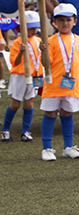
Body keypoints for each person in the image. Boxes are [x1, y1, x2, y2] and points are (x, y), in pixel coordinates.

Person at [40, 4, 79, 162]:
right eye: (61, 20)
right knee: (50, 114)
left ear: (75, 21)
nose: (65, 23)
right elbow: (46, 64)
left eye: (68, 20)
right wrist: (43, 51)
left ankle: (68, 147)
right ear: (54, 23)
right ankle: (47, 148)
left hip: (71, 86)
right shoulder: (50, 41)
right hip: (53, 86)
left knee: (67, 114)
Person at [2, 12, 43, 143]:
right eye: (30, 28)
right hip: (20, 76)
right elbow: (15, 61)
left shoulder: (38, 40)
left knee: (29, 103)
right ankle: (5, 130)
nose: (34, 31)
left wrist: (44, 49)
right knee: (15, 104)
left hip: (34, 76)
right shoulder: (18, 42)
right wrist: (20, 51)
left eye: (35, 28)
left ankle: (25, 131)